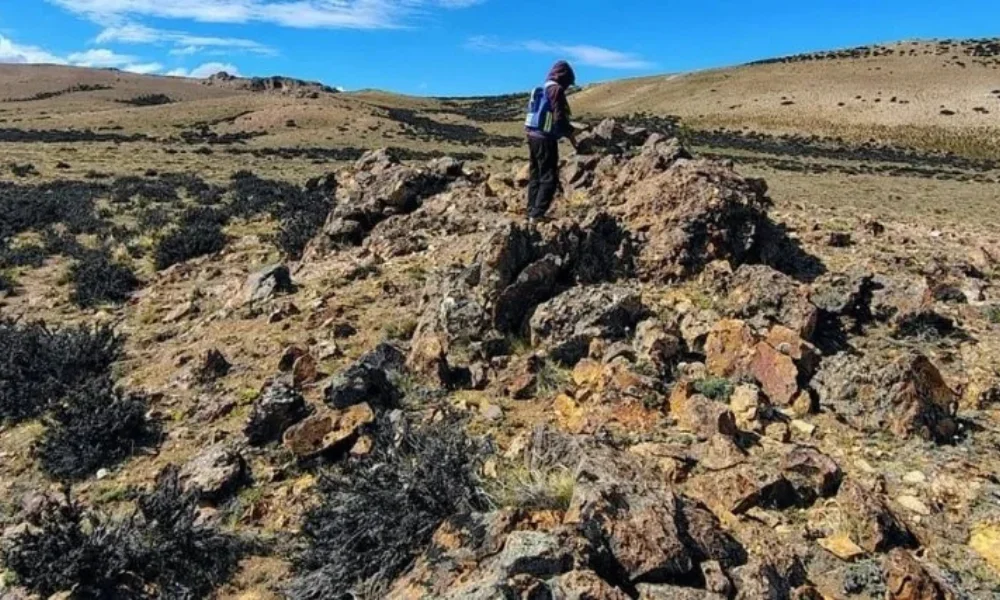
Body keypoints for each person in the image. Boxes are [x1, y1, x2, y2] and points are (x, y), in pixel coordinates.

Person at [524, 60, 577, 222]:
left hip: (532, 136)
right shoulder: (556, 90)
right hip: (546, 139)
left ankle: (531, 211)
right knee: (549, 177)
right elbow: (559, 119)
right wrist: (572, 134)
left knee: (536, 175)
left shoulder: (543, 88)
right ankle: (538, 214)